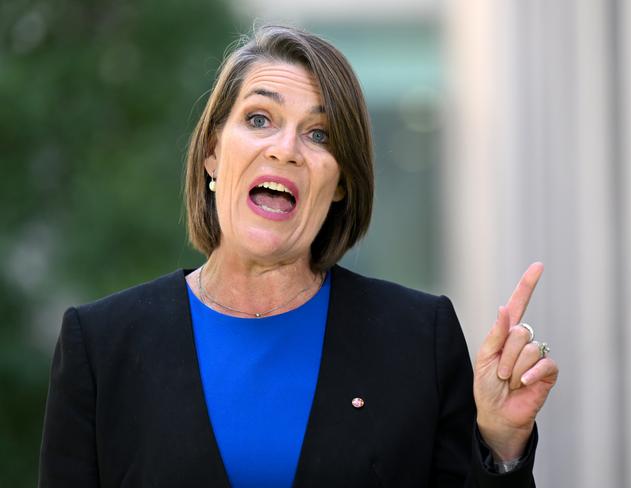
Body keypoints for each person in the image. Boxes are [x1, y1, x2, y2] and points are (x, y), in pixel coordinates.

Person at [38, 25, 558, 487]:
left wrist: (500, 444)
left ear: (340, 184)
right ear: (212, 152)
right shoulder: (101, 347)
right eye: (260, 118)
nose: (285, 148)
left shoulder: (420, 339)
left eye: (319, 134)